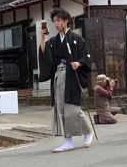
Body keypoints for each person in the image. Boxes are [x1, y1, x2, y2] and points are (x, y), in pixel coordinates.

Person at [38, 8, 94, 152]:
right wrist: (42, 38)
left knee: (73, 108)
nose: (56, 24)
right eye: (54, 21)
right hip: (58, 75)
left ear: (66, 21)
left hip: (71, 76)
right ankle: (67, 141)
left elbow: (86, 56)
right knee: (60, 108)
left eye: (59, 21)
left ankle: (88, 131)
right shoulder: (54, 40)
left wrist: (79, 63)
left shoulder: (76, 38)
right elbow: (45, 55)